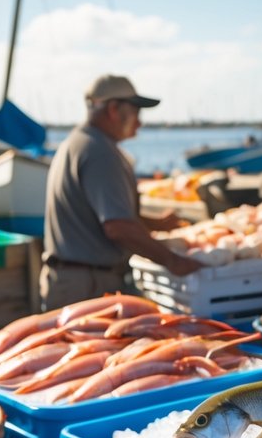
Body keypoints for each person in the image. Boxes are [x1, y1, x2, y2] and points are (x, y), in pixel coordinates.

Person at [41, 74, 200, 311]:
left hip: (70, 280)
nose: (139, 122)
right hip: (87, 287)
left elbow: (97, 214)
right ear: (114, 109)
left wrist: (155, 224)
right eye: (136, 112)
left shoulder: (77, 142)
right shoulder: (100, 152)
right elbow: (117, 226)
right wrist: (174, 262)